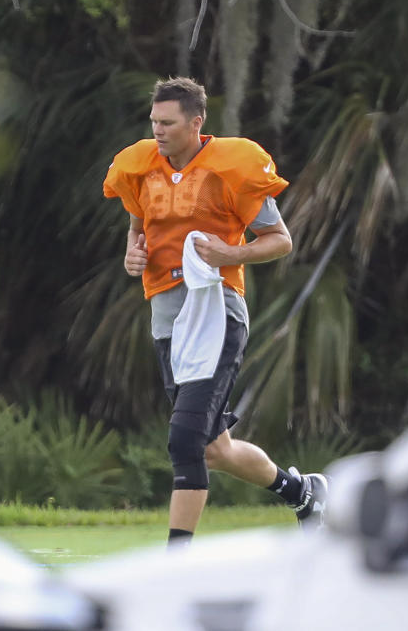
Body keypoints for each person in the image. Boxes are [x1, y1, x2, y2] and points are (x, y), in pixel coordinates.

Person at [103, 77, 327, 546]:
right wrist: (132, 254)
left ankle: (176, 559)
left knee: (185, 442)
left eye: (167, 123)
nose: (157, 131)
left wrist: (231, 254)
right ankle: (302, 493)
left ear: (196, 122)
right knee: (212, 449)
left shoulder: (230, 167)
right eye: (154, 122)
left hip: (217, 315)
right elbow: (137, 226)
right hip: (167, 320)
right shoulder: (141, 168)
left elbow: (280, 240)